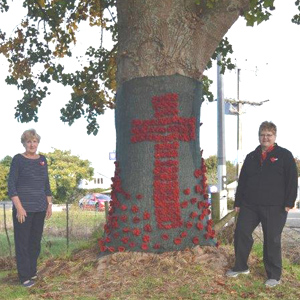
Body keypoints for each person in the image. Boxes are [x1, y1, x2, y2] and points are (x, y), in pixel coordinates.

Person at [226, 121, 298, 288]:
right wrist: (238, 202)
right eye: (262, 134)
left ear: (274, 136)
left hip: (275, 206)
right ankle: (241, 267)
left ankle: (274, 275)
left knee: (271, 240)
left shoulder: (285, 155)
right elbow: (242, 180)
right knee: (241, 233)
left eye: (269, 135)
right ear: (259, 136)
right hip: (250, 205)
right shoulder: (251, 156)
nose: (265, 138)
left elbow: (292, 181)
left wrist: (289, 202)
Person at [8, 129, 52, 288]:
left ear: (38, 143)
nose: (32, 144)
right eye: (28, 141)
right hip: (23, 210)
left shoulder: (43, 160)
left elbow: (46, 184)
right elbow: (11, 185)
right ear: (24, 143)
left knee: (34, 242)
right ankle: (24, 277)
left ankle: (32, 271)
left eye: (34, 141)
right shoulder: (18, 160)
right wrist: (19, 207)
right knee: (23, 243)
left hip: (40, 208)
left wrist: (49, 204)